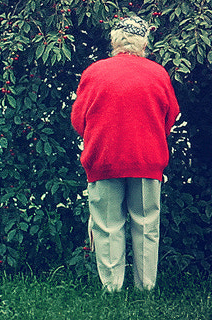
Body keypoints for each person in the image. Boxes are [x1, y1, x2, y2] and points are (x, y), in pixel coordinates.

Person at [70, 16, 180, 292]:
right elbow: (171, 116)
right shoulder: (158, 74)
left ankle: (112, 289)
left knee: (107, 226)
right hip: (147, 159)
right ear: (144, 42)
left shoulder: (94, 72)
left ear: (114, 41)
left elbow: (78, 120)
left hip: (104, 158)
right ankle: (146, 289)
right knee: (146, 225)